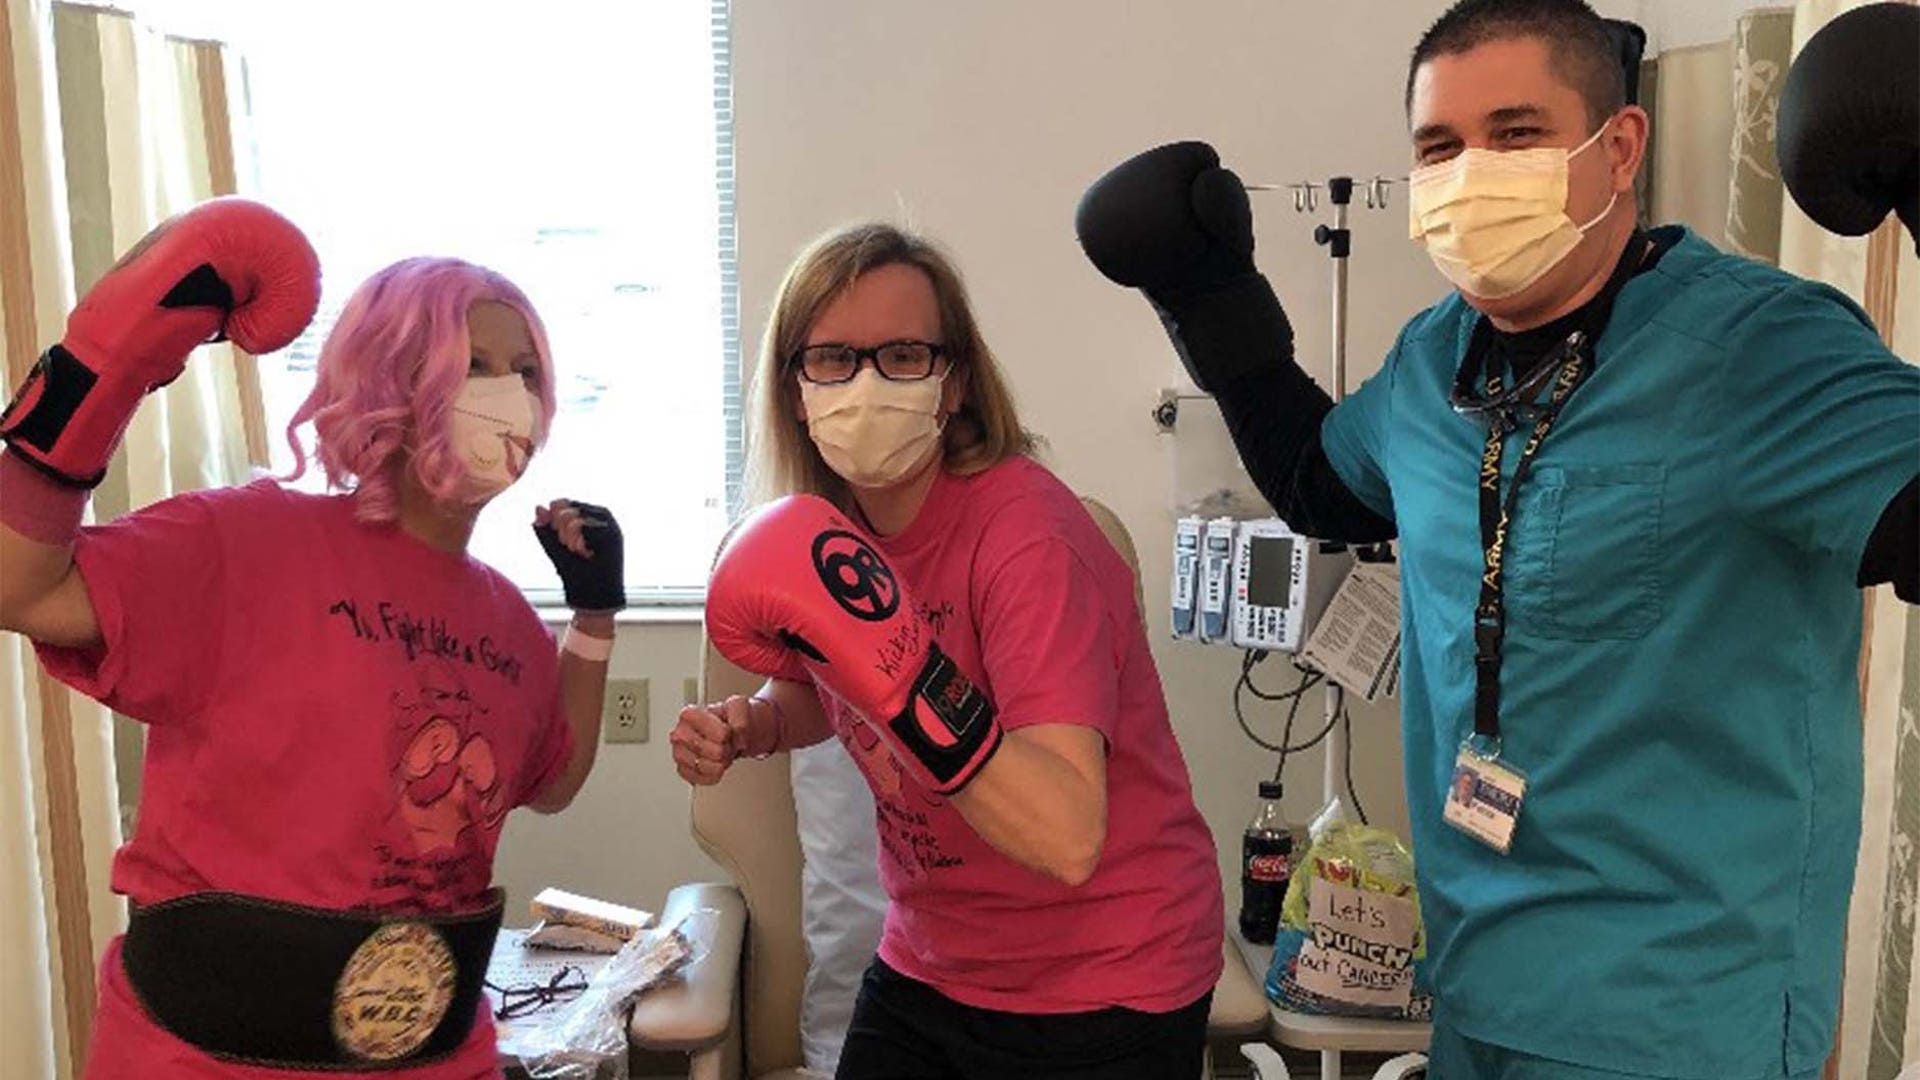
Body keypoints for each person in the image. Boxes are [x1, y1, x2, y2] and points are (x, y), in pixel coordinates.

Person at [1074, 0, 1920, 1077]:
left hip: (1682, 1018)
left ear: (1619, 148)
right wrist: (1203, 288)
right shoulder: (1437, 361)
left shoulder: (1757, 351)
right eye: (1440, 147)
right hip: (1472, 985)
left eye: (1516, 134)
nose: (1472, 173)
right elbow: (1319, 483)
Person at [0, 200, 626, 1078]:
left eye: (526, 369)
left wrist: (594, 622)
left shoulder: (509, 622)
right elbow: (16, 583)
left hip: (435, 1052)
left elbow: (553, 781)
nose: (509, 392)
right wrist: (100, 367)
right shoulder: (243, 543)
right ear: (394, 377)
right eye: (474, 363)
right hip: (204, 1055)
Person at [671, 223, 1224, 1079]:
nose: (864, 384)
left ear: (954, 380)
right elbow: (833, 688)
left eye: (901, 354)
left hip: (1105, 979)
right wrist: (755, 726)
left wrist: (899, 674)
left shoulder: (1028, 538)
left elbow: (1068, 833)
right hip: (935, 958)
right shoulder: (831, 538)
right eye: (830, 359)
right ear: (793, 390)